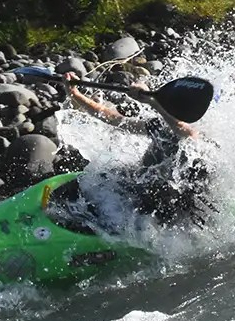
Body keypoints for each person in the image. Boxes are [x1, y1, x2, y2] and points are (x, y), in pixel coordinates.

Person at [60, 71, 214, 229]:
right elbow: (111, 118)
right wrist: (74, 94)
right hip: (144, 187)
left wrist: (153, 102)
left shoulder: (201, 141)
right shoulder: (158, 126)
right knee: (102, 178)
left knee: (155, 198)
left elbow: (187, 133)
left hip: (174, 207)